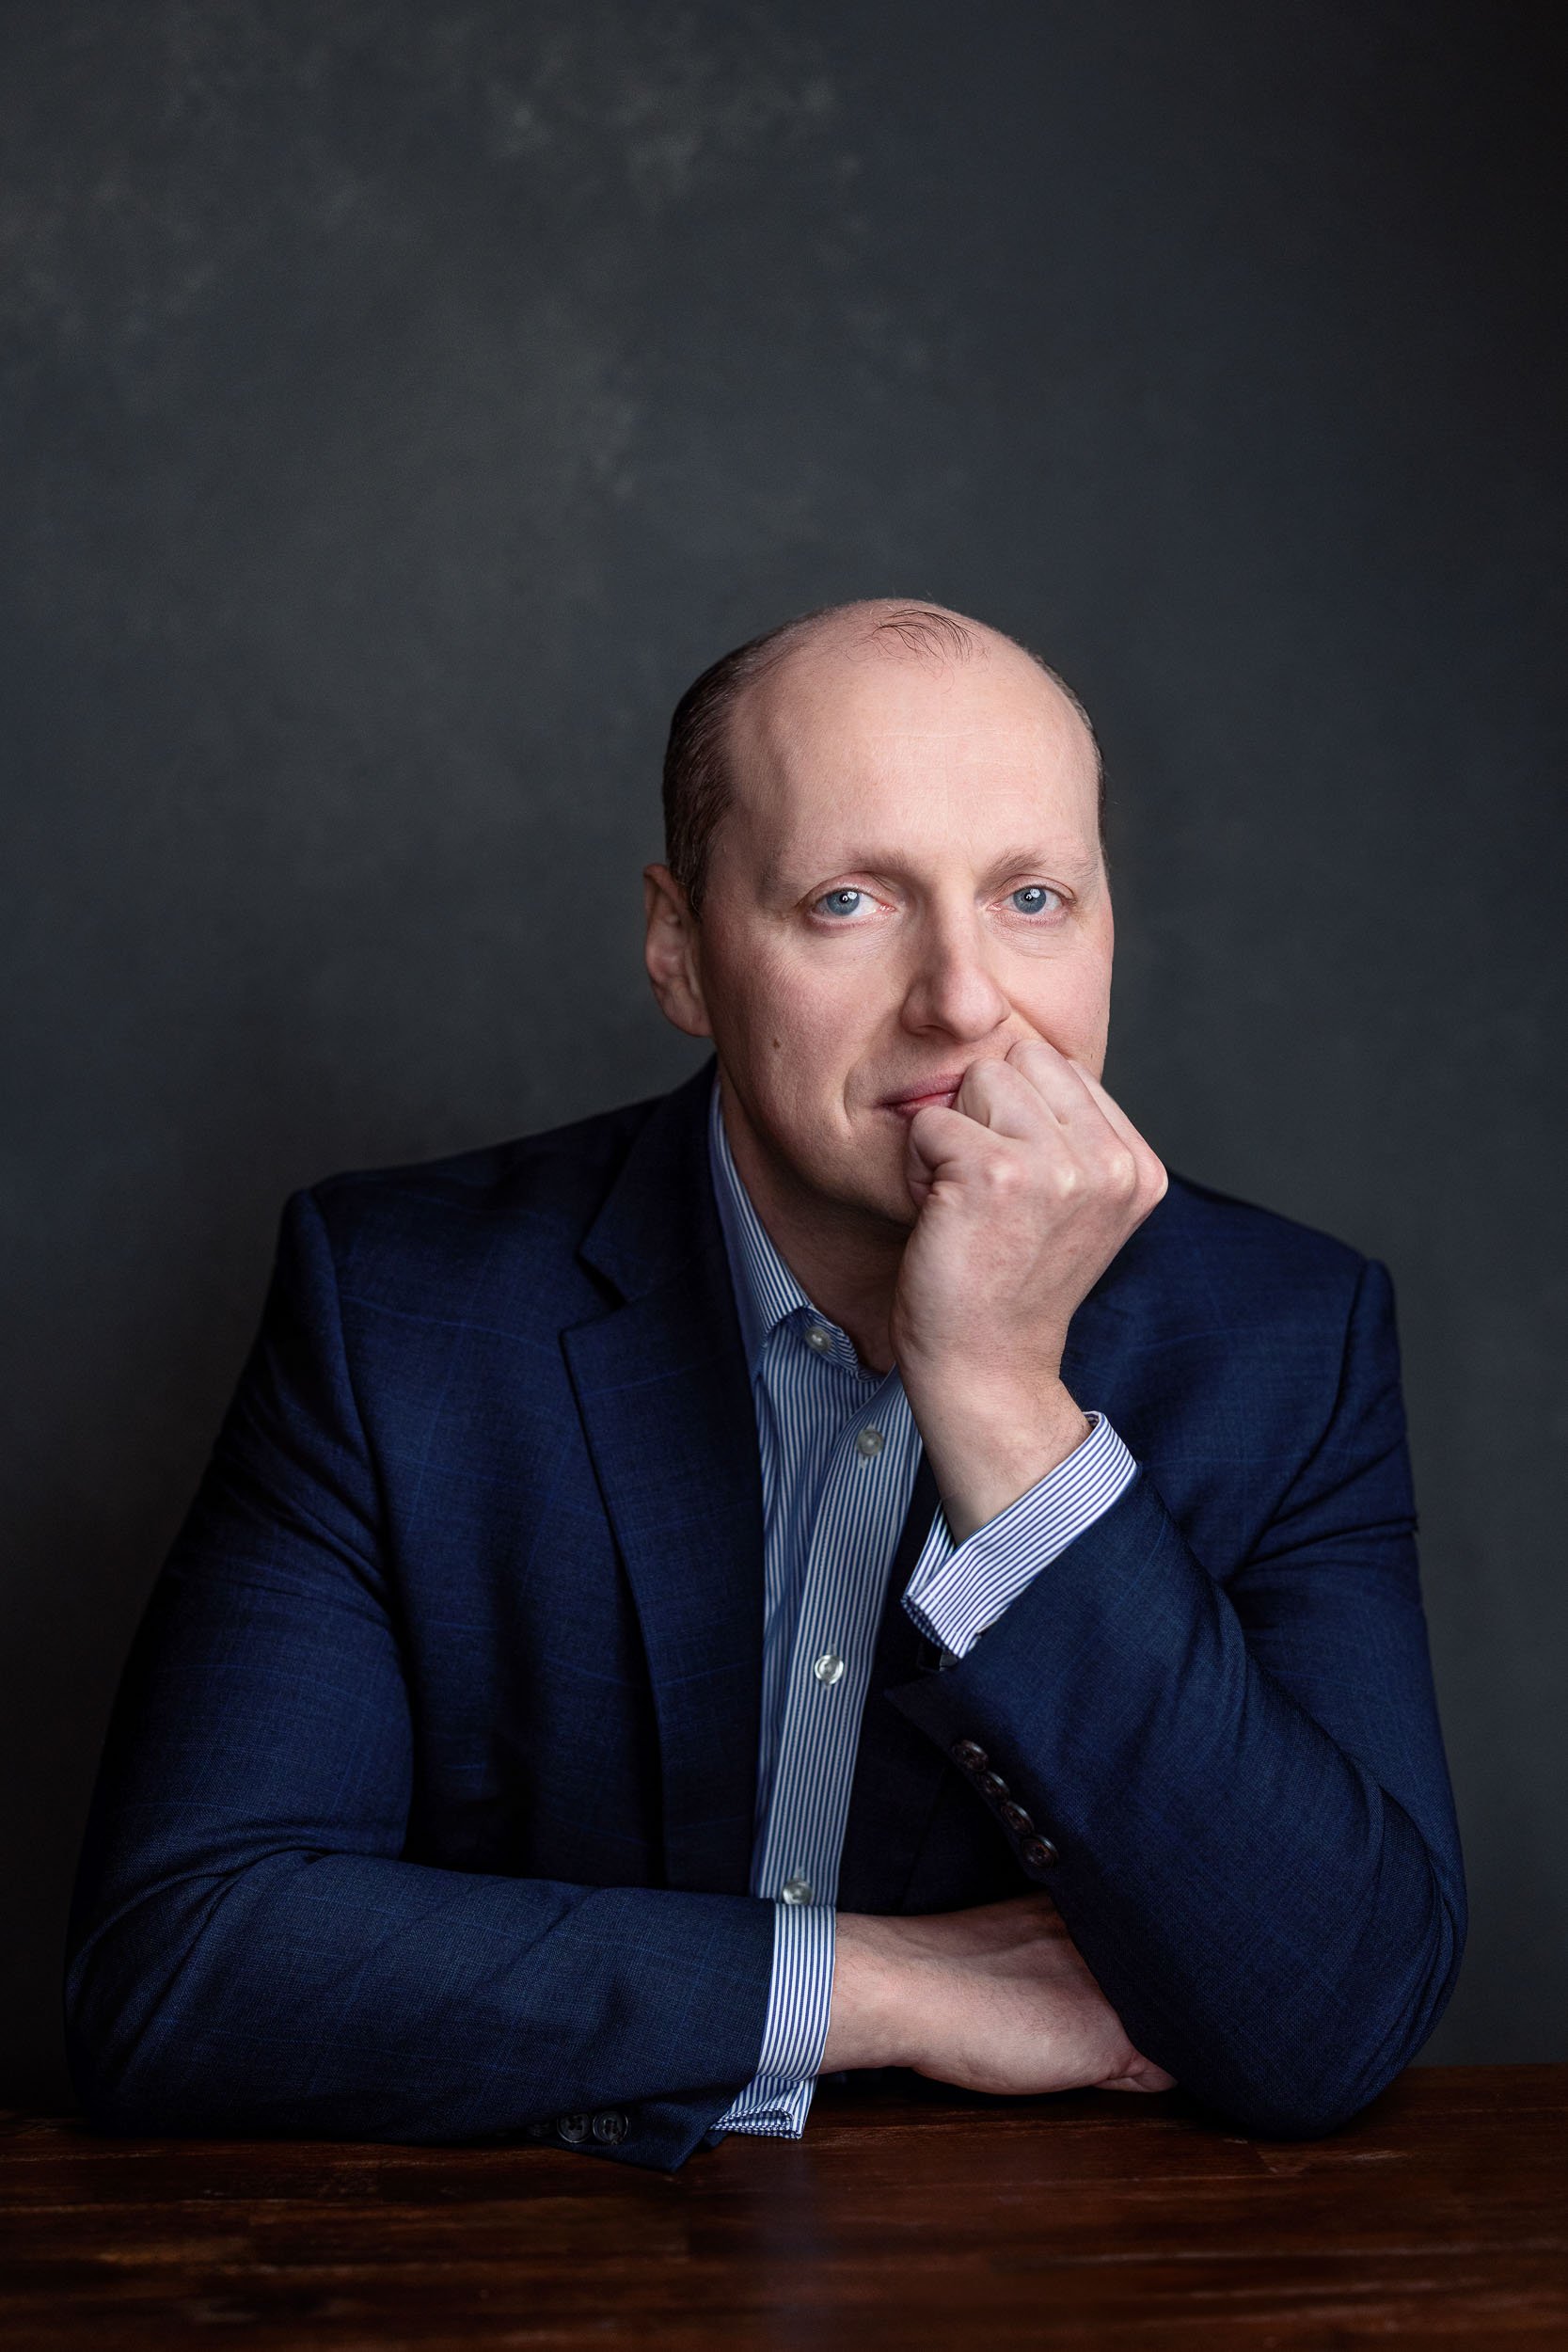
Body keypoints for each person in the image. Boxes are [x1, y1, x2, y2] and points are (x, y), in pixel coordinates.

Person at [65, 599, 1465, 2171]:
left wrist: (1007, 1402)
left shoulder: (1289, 1340)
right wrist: (876, 1982)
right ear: (681, 946)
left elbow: (1335, 2016)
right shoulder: (397, 1305)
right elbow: (181, 1969)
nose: (963, 998)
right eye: (850, 899)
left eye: (1033, 896)